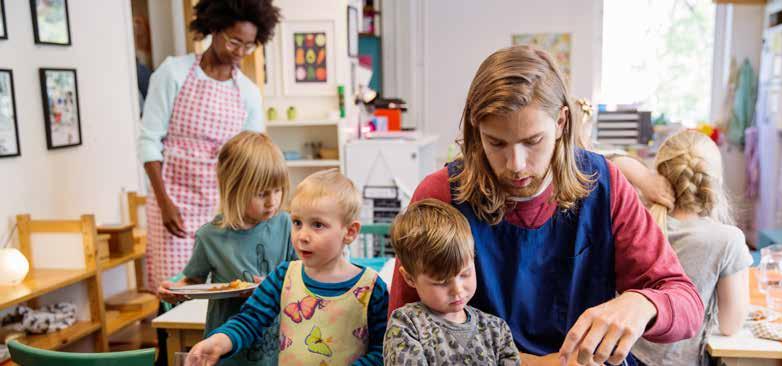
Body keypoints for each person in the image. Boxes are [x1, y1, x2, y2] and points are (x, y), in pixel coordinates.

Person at [388, 45, 704, 366]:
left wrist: (641, 303)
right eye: (496, 143)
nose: (516, 164)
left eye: (533, 141)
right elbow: (406, 330)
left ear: (561, 123)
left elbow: (687, 304)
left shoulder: (605, 185)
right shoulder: (441, 194)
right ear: (475, 129)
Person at [138, 0, 280, 291]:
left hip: (224, 209)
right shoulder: (173, 73)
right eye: (234, 42)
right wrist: (165, 204)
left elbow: (252, 157)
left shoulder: (248, 94)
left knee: (225, 289)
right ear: (214, 28)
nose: (240, 52)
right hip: (173, 204)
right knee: (175, 291)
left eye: (248, 45)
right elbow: (149, 141)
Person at [185, 169, 389, 366]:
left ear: (350, 232)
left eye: (317, 225)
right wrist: (219, 342)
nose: (302, 235)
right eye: (297, 222)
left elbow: (383, 350)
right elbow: (250, 319)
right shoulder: (284, 276)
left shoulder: (372, 288)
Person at [156, 131, 294, 365]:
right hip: (225, 341)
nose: (272, 201)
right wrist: (176, 290)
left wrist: (278, 283)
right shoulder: (210, 236)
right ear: (233, 188)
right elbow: (193, 280)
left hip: (275, 339)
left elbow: (302, 272)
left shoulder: (286, 225)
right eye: (261, 194)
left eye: (278, 190)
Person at [622, 130, 752, 366]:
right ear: (715, 181)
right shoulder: (727, 239)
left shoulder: (636, 223)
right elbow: (731, 324)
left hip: (625, 359)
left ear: (659, 175)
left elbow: (595, 156)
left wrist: (638, 174)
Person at [384, 198, 520, 365]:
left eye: (465, 274)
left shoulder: (497, 331)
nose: (457, 290)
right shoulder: (407, 325)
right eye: (441, 282)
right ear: (410, 278)